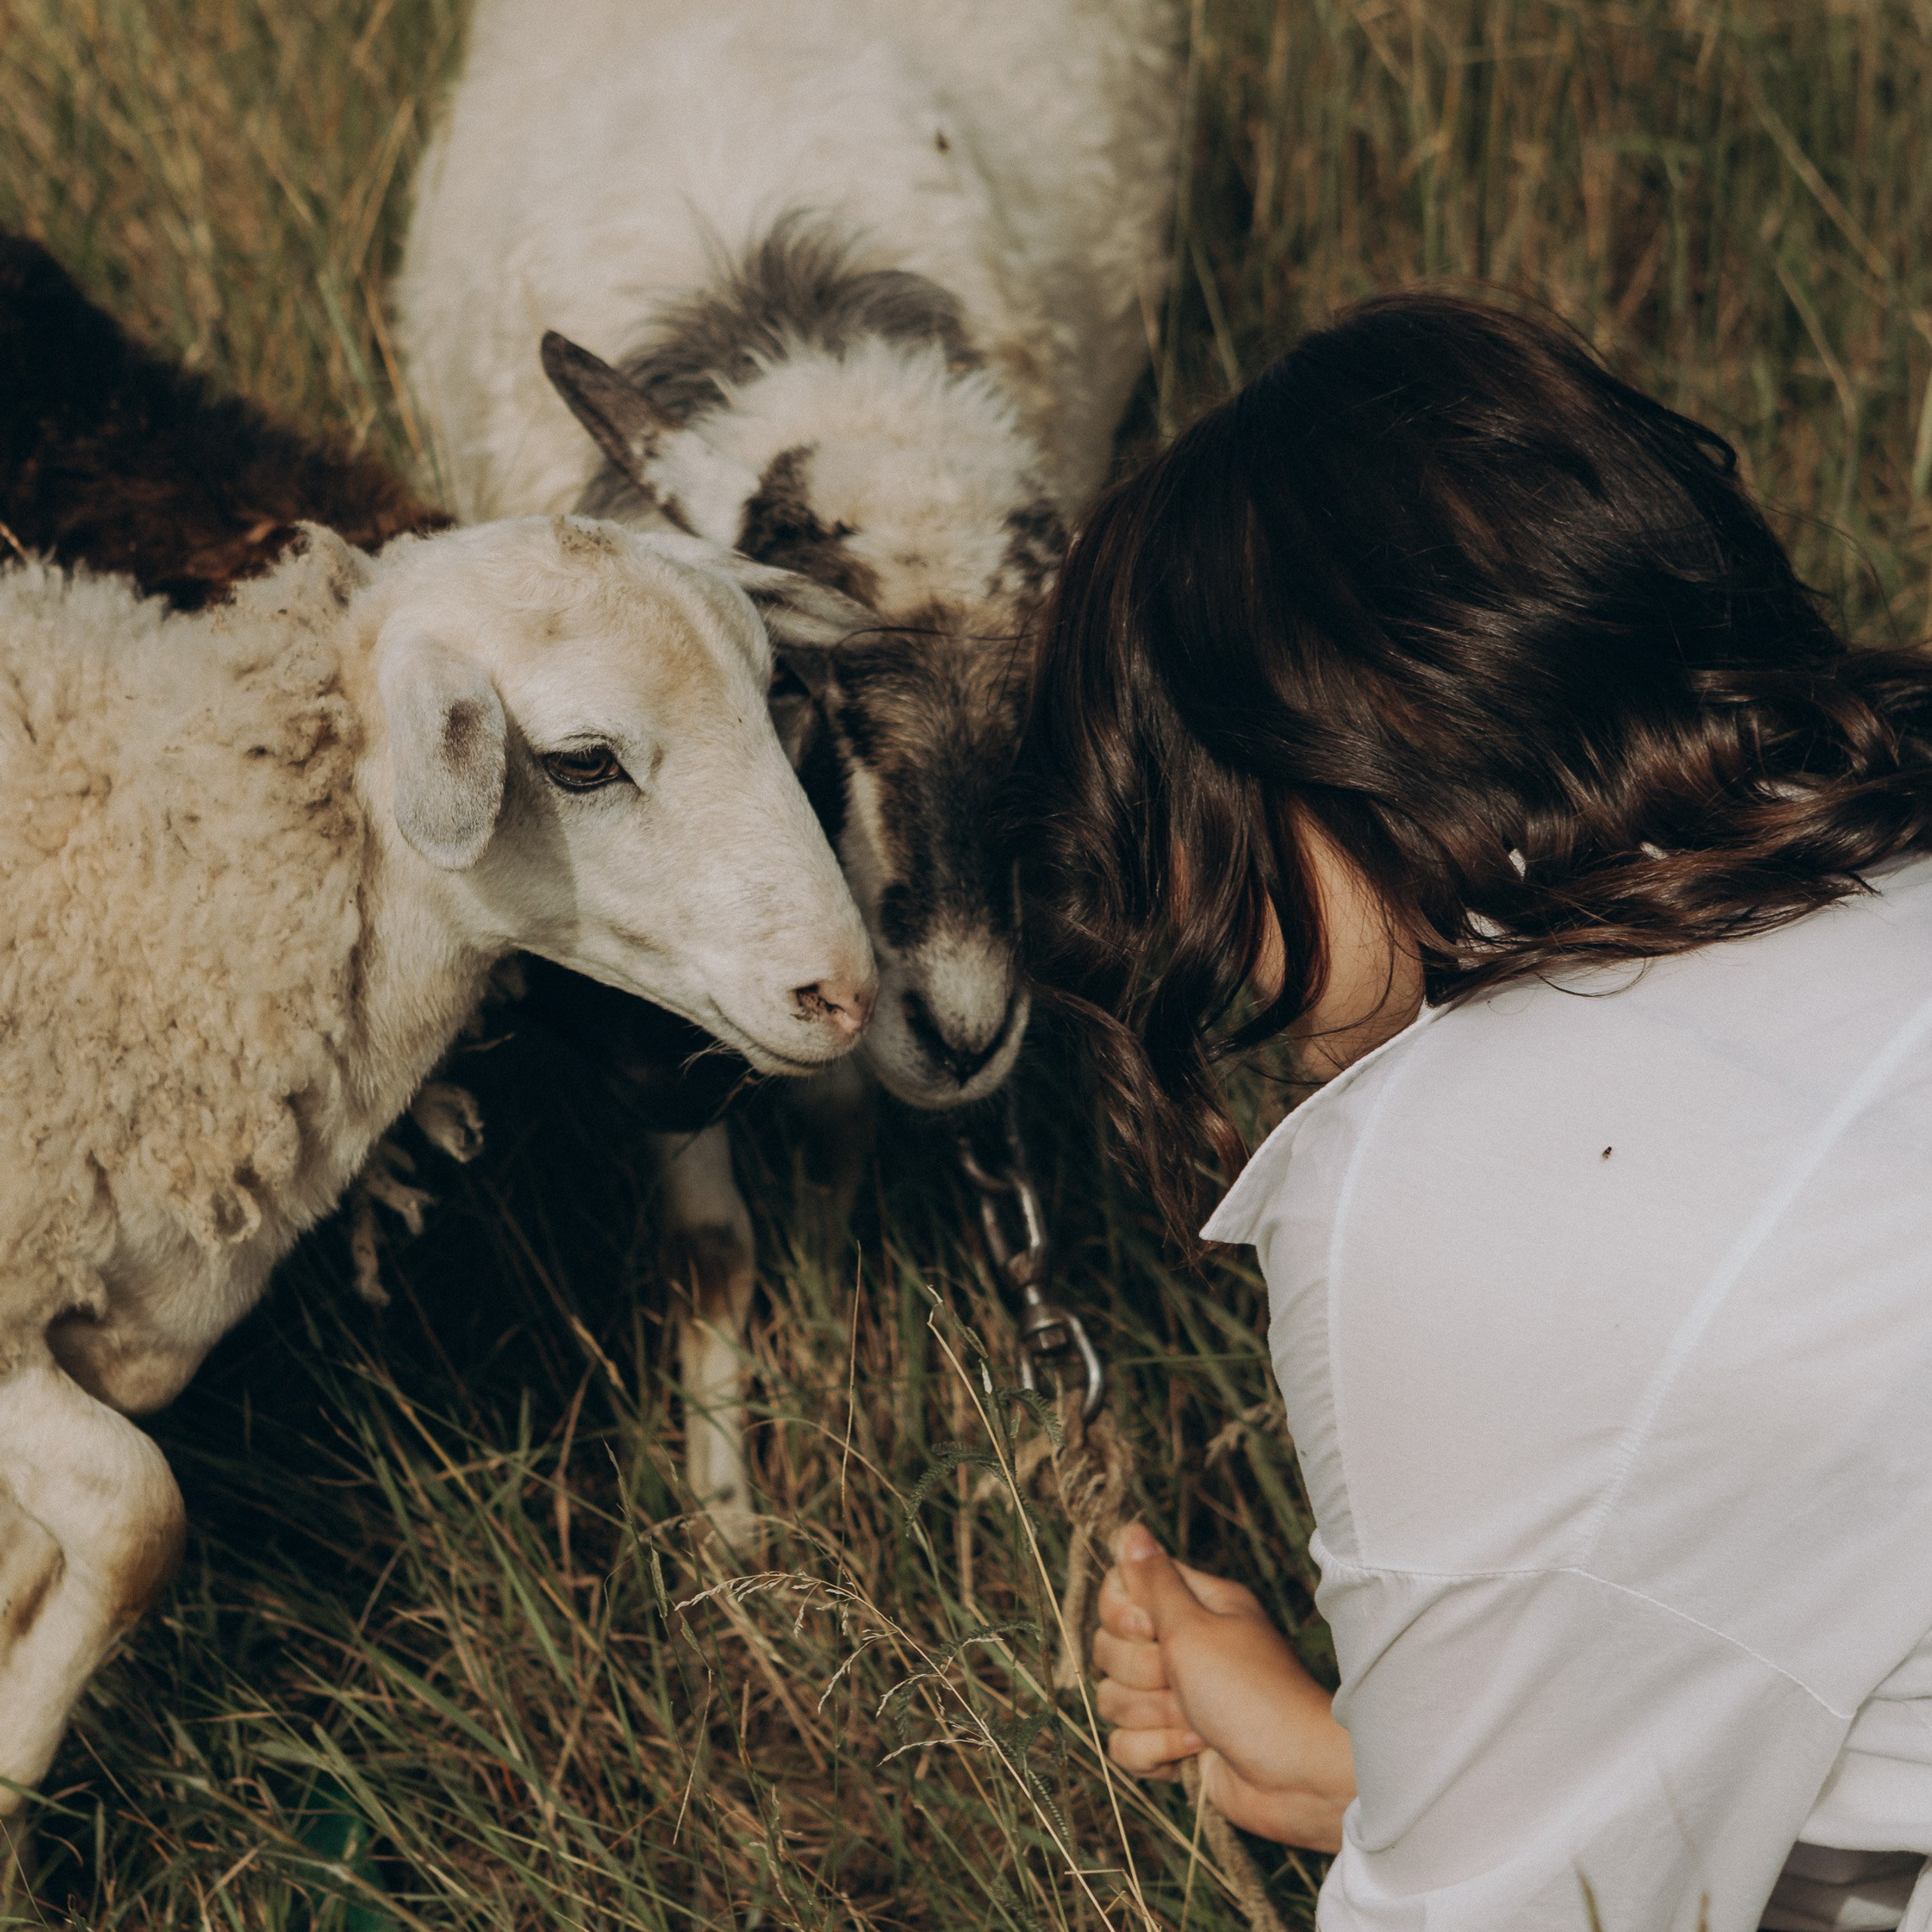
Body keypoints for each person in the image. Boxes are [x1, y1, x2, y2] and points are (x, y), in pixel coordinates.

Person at [1013, 294, 1932, 1932]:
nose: (1219, 939)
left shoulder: (1452, 1171)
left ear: (1318, 755)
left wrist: (1407, 1847)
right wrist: (1369, 1776)